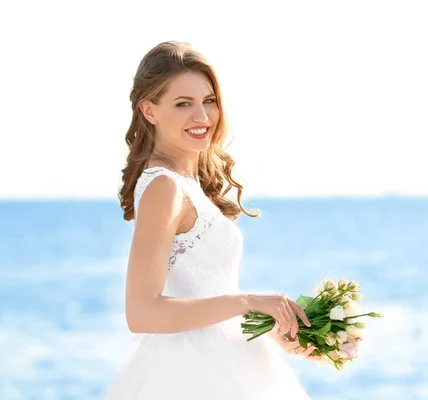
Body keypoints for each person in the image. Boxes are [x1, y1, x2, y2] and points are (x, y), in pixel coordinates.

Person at [105, 41, 318, 399]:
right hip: (188, 375)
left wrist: (269, 325)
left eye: (208, 101)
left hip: (226, 360)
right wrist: (249, 301)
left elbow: (201, 291)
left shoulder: (186, 184)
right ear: (149, 110)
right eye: (183, 104)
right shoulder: (164, 188)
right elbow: (141, 312)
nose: (202, 117)